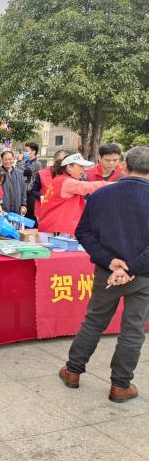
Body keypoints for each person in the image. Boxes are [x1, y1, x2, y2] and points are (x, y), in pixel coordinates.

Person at [59, 146, 149, 403]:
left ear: (124, 165)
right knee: (133, 330)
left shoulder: (102, 194)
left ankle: (73, 371)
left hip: (107, 272)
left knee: (94, 322)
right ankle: (120, 385)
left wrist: (111, 262)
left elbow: (83, 232)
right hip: (143, 276)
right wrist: (131, 268)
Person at [38, 153, 112, 239]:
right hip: (57, 230)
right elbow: (88, 186)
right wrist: (116, 184)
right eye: (80, 166)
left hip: (52, 227)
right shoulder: (67, 182)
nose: (83, 170)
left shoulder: (60, 179)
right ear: (69, 167)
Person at [32, 150, 67, 220]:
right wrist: (41, 196)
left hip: (61, 211)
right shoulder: (42, 174)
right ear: (54, 160)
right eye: (60, 161)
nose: (62, 164)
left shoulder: (67, 175)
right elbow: (34, 191)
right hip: (44, 210)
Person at [0, 150, 27, 216]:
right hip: (2, 209)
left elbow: (23, 190)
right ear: (2, 160)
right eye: (5, 159)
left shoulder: (19, 173)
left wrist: (23, 204)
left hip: (17, 208)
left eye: (10, 159)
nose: (8, 161)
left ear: (13, 159)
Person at [18, 142, 41, 220]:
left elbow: (25, 171)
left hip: (30, 193)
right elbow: (17, 170)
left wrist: (19, 161)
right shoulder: (24, 162)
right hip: (22, 192)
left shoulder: (37, 164)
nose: (25, 153)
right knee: (22, 215)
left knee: (30, 215)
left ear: (33, 151)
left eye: (27, 151)